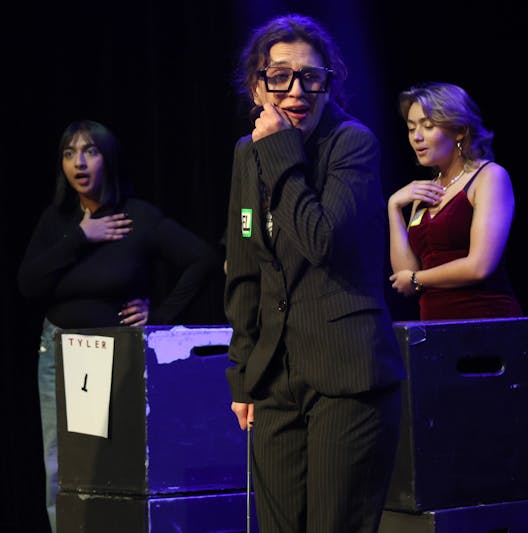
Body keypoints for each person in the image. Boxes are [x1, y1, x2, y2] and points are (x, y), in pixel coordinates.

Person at [223, 13, 407, 533]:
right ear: (257, 86)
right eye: (280, 77)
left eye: (311, 77)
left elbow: (320, 240)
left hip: (345, 373)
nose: (296, 91)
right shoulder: (246, 153)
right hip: (274, 378)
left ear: (330, 83)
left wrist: (280, 152)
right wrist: (243, 375)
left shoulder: (352, 144)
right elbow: (245, 268)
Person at [17, 119, 219, 532]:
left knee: (112, 462)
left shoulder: (136, 217)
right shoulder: (58, 221)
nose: (79, 162)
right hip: (59, 351)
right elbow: (28, 284)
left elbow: (203, 260)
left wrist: (159, 317)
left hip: (116, 354)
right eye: (69, 153)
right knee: (60, 462)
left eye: (89, 151)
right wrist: (80, 237)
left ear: (108, 158)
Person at [387, 82, 523, 319]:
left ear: (459, 130)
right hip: (435, 325)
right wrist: (393, 206)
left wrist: (417, 278)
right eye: (411, 128)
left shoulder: (489, 177)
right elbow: (405, 278)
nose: (416, 137)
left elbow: (479, 266)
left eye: (428, 126)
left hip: (485, 318)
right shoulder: (424, 192)